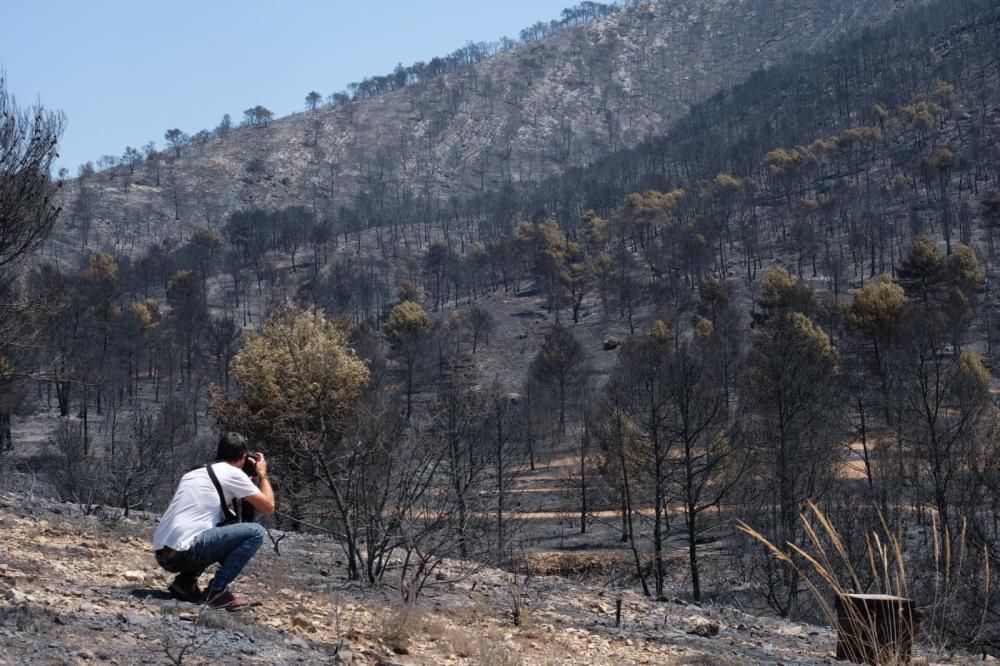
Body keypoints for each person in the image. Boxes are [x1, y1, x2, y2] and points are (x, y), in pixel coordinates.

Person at [152, 433, 275, 610]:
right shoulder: (232, 474)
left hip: (163, 553)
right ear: (243, 457)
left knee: (225, 527)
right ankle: (216, 591)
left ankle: (185, 582)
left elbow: (225, 522)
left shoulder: (194, 473)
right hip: (185, 553)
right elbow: (268, 506)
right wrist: (262, 474)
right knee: (255, 532)